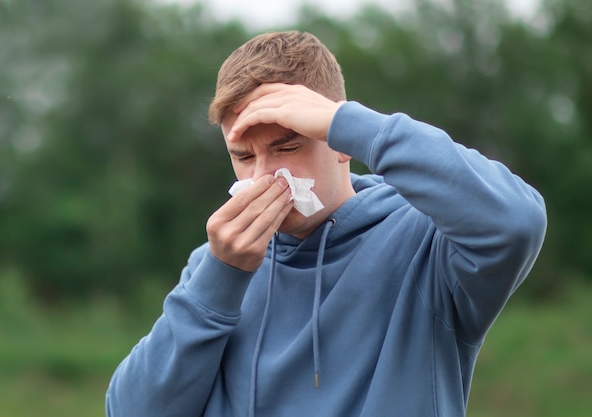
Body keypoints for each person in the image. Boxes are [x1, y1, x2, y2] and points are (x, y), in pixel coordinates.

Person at [106, 31, 546, 417]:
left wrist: (349, 122)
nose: (262, 178)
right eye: (243, 156)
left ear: (340, 145)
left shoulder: (426, 247)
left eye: (288, 146)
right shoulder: (216, 265)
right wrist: (220, 279)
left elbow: (516, 222)